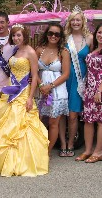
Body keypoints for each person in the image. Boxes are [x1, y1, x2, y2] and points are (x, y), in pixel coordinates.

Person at [0, 24, 49, 177]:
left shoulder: (30, 52)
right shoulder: (15, 50)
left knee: (21, 125)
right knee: (3, 123)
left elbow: (35, 76)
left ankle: (22, 162)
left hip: (23, 93)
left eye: (19, 35)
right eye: (14, 35)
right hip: (10, 90)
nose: (16, 38)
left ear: (25, 36)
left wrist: (30, 98)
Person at [75, 23, 102, 163]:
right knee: (88, 120)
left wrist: (99, 90)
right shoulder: (93, 49)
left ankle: (98, 152)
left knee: (101, 120)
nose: (101, 35)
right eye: (99, 32)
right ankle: (87, 150)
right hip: (90, 90)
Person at [59, 7, 93, 157]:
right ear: (69, 22)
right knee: (61, 113)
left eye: (78, 19)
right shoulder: (64, 38)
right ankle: (62, 144)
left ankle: (71, 143)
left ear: (83, 21)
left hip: (80, 81)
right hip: (64, 79)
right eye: (73, 20)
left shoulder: (90, 38)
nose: (75, 22)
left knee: (73, 115)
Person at [36, 23, 70, 154]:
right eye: (51, 33)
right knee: (37, 121)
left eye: (57, 34)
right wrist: (40, 85)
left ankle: (47, 152)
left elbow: (66, 74)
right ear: (46, 34)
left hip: (57, 91)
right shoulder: (39, 50)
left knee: (53, 123)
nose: (53, 36)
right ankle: (37, 148)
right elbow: (33, 70)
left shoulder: (64, 52)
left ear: (60, 36)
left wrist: (50, 86)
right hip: (40, 91)